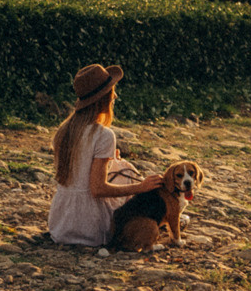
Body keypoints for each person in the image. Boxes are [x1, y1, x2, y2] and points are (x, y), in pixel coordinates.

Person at [47, 63, 164, 247]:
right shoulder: (103, 135)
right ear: (103, 98)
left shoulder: (64, 130)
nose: (115, 95)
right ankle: (158, 220)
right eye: (112, 92)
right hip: (91, 228)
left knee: (118, 165)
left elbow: (79, 173)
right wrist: (141, 187)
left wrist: (111, 160)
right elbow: (97, 189)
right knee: (127, 173)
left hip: (60, 225)